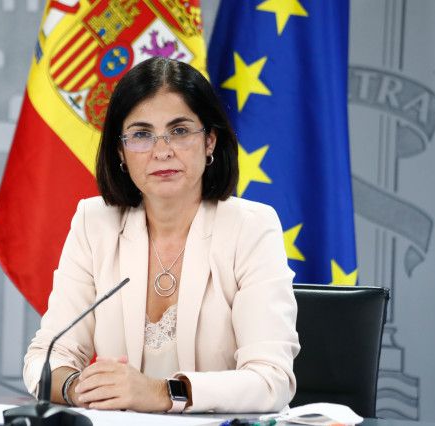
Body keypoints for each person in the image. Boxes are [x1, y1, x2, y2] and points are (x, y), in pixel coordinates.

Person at [23, 56, 299, 413]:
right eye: (141, 135)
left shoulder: (251, 228)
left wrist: (162, 393)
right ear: (120, 152)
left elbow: (271, 380)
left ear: (210, 141)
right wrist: (80, 388)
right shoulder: (95, 223)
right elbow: (45, 359)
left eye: (180, 131)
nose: (162, 150)